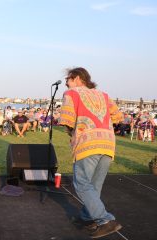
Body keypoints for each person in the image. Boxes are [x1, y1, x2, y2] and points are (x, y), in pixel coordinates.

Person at [59, 67, 123, 238]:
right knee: (94, 186)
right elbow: (118, 118)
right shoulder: (104, 95)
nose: (67, 84)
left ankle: (105, 220)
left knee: (81, 183)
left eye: (68, 80)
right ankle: (88, 217)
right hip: (107, 143)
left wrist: (71, 134)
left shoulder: (71, 94)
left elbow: (67, 120)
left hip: (87, 143)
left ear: (78, 78)